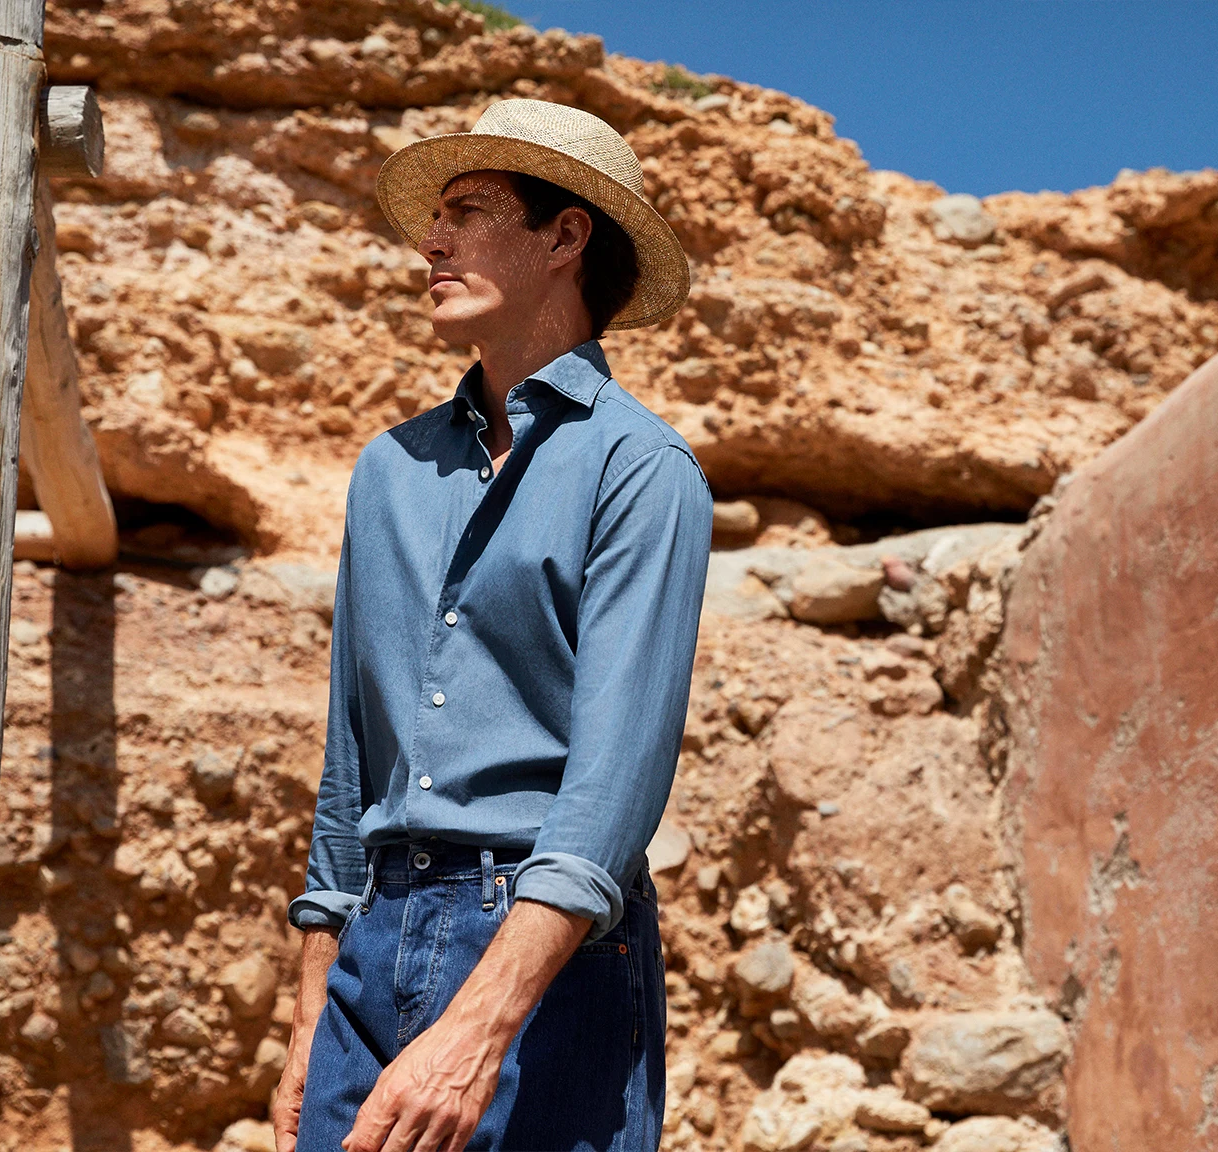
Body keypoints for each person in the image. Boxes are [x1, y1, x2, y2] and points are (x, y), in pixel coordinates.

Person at [271, 99, 714, 1152]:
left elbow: (609, 797)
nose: (432, 241)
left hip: (545, 955)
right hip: (374, 938)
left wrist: (481, 1024)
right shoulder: (389, 471)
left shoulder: (643, 472)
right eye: (437, 217)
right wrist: (307, 1018)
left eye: (469, 211)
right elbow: (350, 766)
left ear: (566, 238)